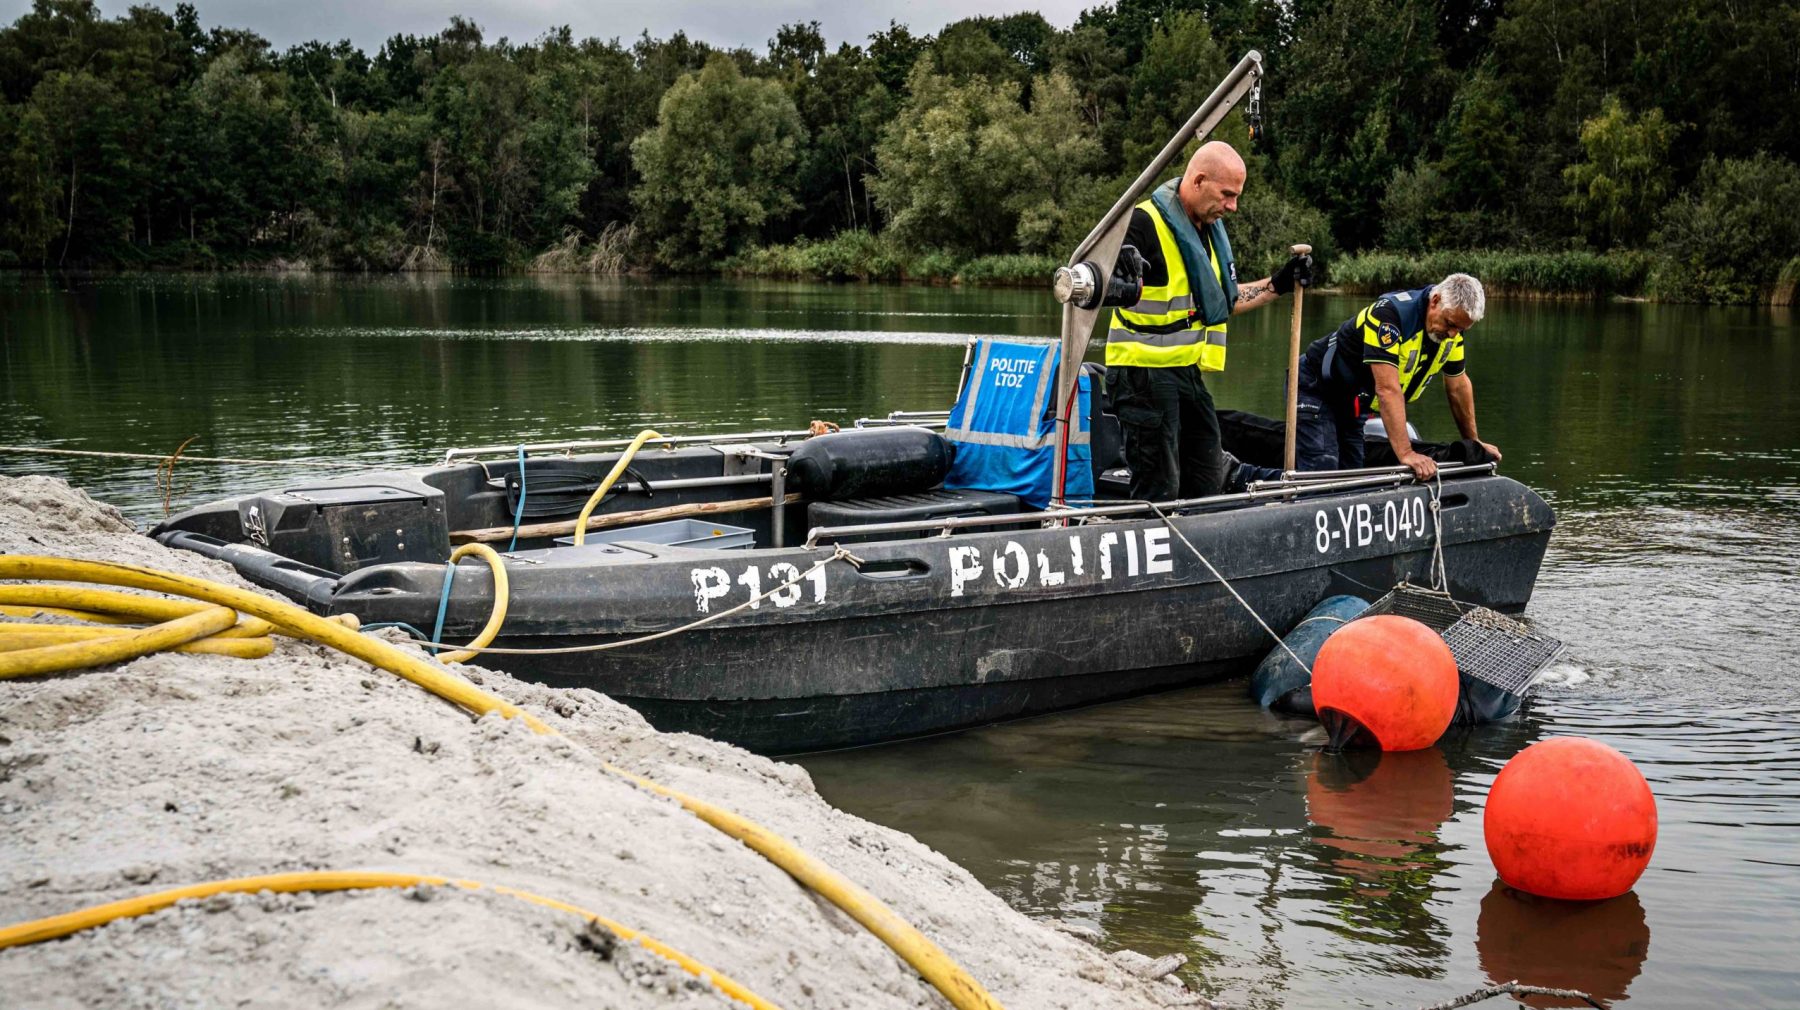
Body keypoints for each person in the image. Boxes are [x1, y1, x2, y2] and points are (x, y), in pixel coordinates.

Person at [1107, 140, 1311, 500]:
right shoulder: (1142, 223)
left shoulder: (1205, 230)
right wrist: (1114, 271)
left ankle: (1201, 542)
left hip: (1186, 374)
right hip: (1142, 374)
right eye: (1227, 194)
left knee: (1206, 477)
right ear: (1199, 180)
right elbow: (1094, 277)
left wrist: (1279, 283)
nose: (1232, 206)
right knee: (1159, 487)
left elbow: (1221, 303)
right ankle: (1155, 543)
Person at [1292, 273, 1502, 480]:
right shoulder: (1389, 316)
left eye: (1461, 329)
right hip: (1316, 387)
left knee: (1352, 477)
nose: (1453, 333)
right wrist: (1406, 453)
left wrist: (1473, 443)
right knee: (1323, 472)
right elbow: (1387, 389)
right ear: (1435, 301)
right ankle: (1264, 484)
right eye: (1450, 324)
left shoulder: (1451, 332)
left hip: (1354, 401)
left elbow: (1457, 387)